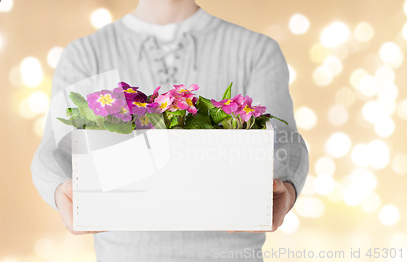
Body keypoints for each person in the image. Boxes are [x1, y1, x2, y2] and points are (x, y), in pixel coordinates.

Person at [31, 0, 309, 261]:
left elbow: (284, 142)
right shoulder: (86, 54)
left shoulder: (256, 50)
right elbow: (54, 149)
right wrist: (60, 190)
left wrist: (286, 189)